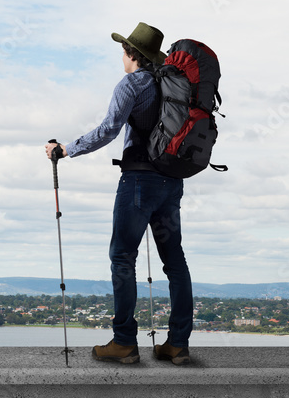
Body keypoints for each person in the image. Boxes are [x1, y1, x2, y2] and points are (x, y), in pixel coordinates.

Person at [44, 22, 193, 365]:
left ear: (130, 53)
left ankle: (125, 341)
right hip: (172, 181)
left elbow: (109, 128)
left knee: (123, 258)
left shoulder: (133, 83)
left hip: (139, 182)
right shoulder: (175, 84)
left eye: (123, 51)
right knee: (175, 262)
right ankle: (178, 344)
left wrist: (66, 149)